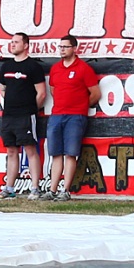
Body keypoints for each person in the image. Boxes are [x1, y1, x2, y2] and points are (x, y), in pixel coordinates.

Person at [43, 33, 98, 200]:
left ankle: (65, 190)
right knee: (55, 153)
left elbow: (95, 93)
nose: (62, 50)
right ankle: (52, 190)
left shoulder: (83, 69)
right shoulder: (55, 68)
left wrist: (80, 106)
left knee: (70, 153)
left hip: (75, 116)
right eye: (60, 47)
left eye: (65, 47)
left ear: (74, 49)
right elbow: (53, 90)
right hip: (57, 114)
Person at [0, 31, 47, 199]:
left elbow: (41, 93)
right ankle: (9, 188)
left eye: (16, 42)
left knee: (30, 150)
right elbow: (2, 88)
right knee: (11, 151)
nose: (13, 44)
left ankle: (34, 188)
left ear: (25, 45)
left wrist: (30, 109)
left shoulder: (33, 67)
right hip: (8, 115)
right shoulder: (6, 66)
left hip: (26, 116)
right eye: (11, 42)